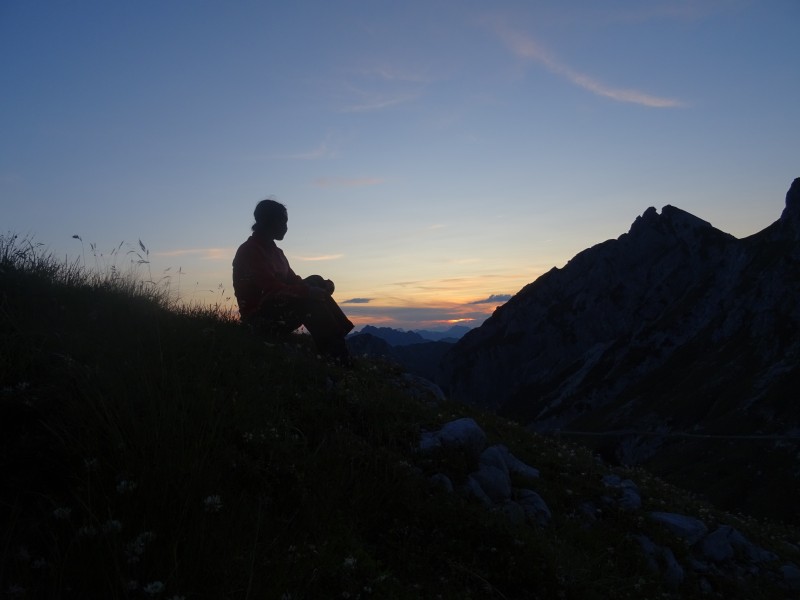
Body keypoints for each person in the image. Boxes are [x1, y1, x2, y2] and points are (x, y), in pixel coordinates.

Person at [232, 199, 354, 363]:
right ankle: (337, 357)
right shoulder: (250, 251)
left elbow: (293, 281)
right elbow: (271, 289)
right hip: (259, 319)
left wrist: (322, 287)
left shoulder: (277, 252)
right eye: (283, 221)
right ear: (270, 221)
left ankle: (337, 343)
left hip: (278, 308)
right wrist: (309, 293)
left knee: (315, 280)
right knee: (307, 301)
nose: (286, 227)